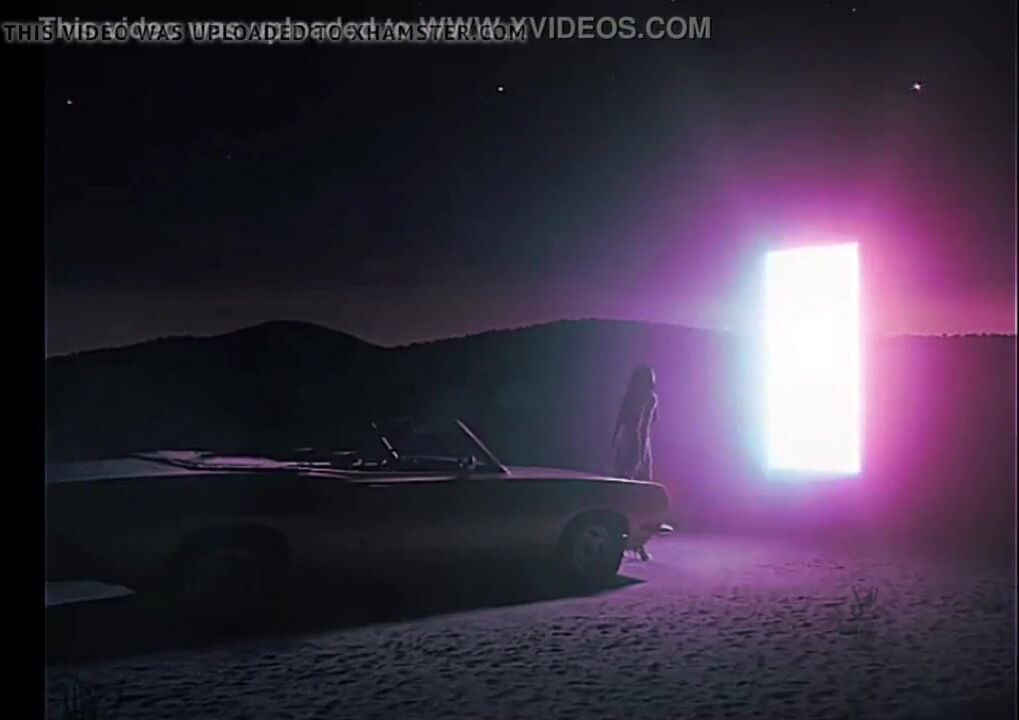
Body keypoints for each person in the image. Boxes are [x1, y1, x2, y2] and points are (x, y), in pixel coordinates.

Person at [611, 365, 658, 561]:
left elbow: (620, 422)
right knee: (640, 496)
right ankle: (638, 543)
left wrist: (615, 443)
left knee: (623, 494)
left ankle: (622, 541)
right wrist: (640, 455)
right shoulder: (649, 397)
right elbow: (643, 427)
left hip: (626, 444)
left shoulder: (630, 396)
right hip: (637, 446)